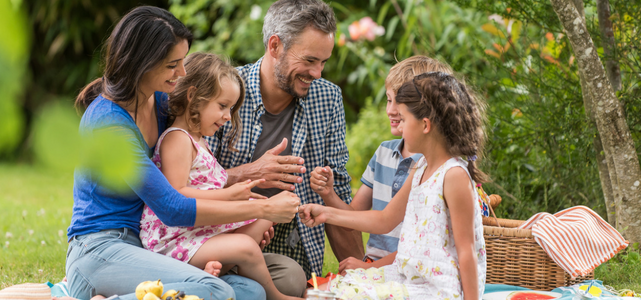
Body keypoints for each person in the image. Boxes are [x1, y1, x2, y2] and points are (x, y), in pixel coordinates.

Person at [67, 6, 300, 300]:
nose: (182, 72)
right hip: (100, 249)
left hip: (143, 246)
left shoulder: (162, 104)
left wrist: (247, 192)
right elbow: (172, 206)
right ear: (141, 63)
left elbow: (194, 179)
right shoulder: (108, 123)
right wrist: (262, 209)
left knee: (251, 292)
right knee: (214, 290)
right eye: (172, 64)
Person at [299, 72, 489, 299]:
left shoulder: (453, 175)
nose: (400, 127)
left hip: (437, 289)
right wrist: (325, 213)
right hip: (408, 277)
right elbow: (384, 220)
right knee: (323, 290)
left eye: (404, 120)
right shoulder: (421, 168)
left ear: (425, 125)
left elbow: (466, 250)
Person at [206, 0, 352, 293]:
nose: (317, 73)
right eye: (310, 60)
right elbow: (189, 181)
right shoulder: (224, 92)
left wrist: (361, 273)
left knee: (291, 278)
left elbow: (339, 196)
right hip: (220, 235)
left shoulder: (328, 98)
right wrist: (251, 173)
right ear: (275, 46)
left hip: (293, 245)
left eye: (323, 62)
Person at [139, 52, 302, 300]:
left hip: (197, 232)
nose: (228, 116)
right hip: (174, 238)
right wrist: (228, 195)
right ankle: (275, 296)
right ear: (194, 97)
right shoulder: (177, 139)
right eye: (222, 106)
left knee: (264, 217)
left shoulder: (199, 141)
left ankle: (213, 269)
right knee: (247, 244)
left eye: (231, 108)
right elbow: (176, 194)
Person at [309, 56, 454, 274]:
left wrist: (370, 269)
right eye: (388, 100)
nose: (391, 110)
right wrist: (328, 194)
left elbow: (420, 247)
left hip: (410, 269)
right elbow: (353, 218)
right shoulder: (384, 153)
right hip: (374, 265)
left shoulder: (432, 167)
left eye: (400, 103)